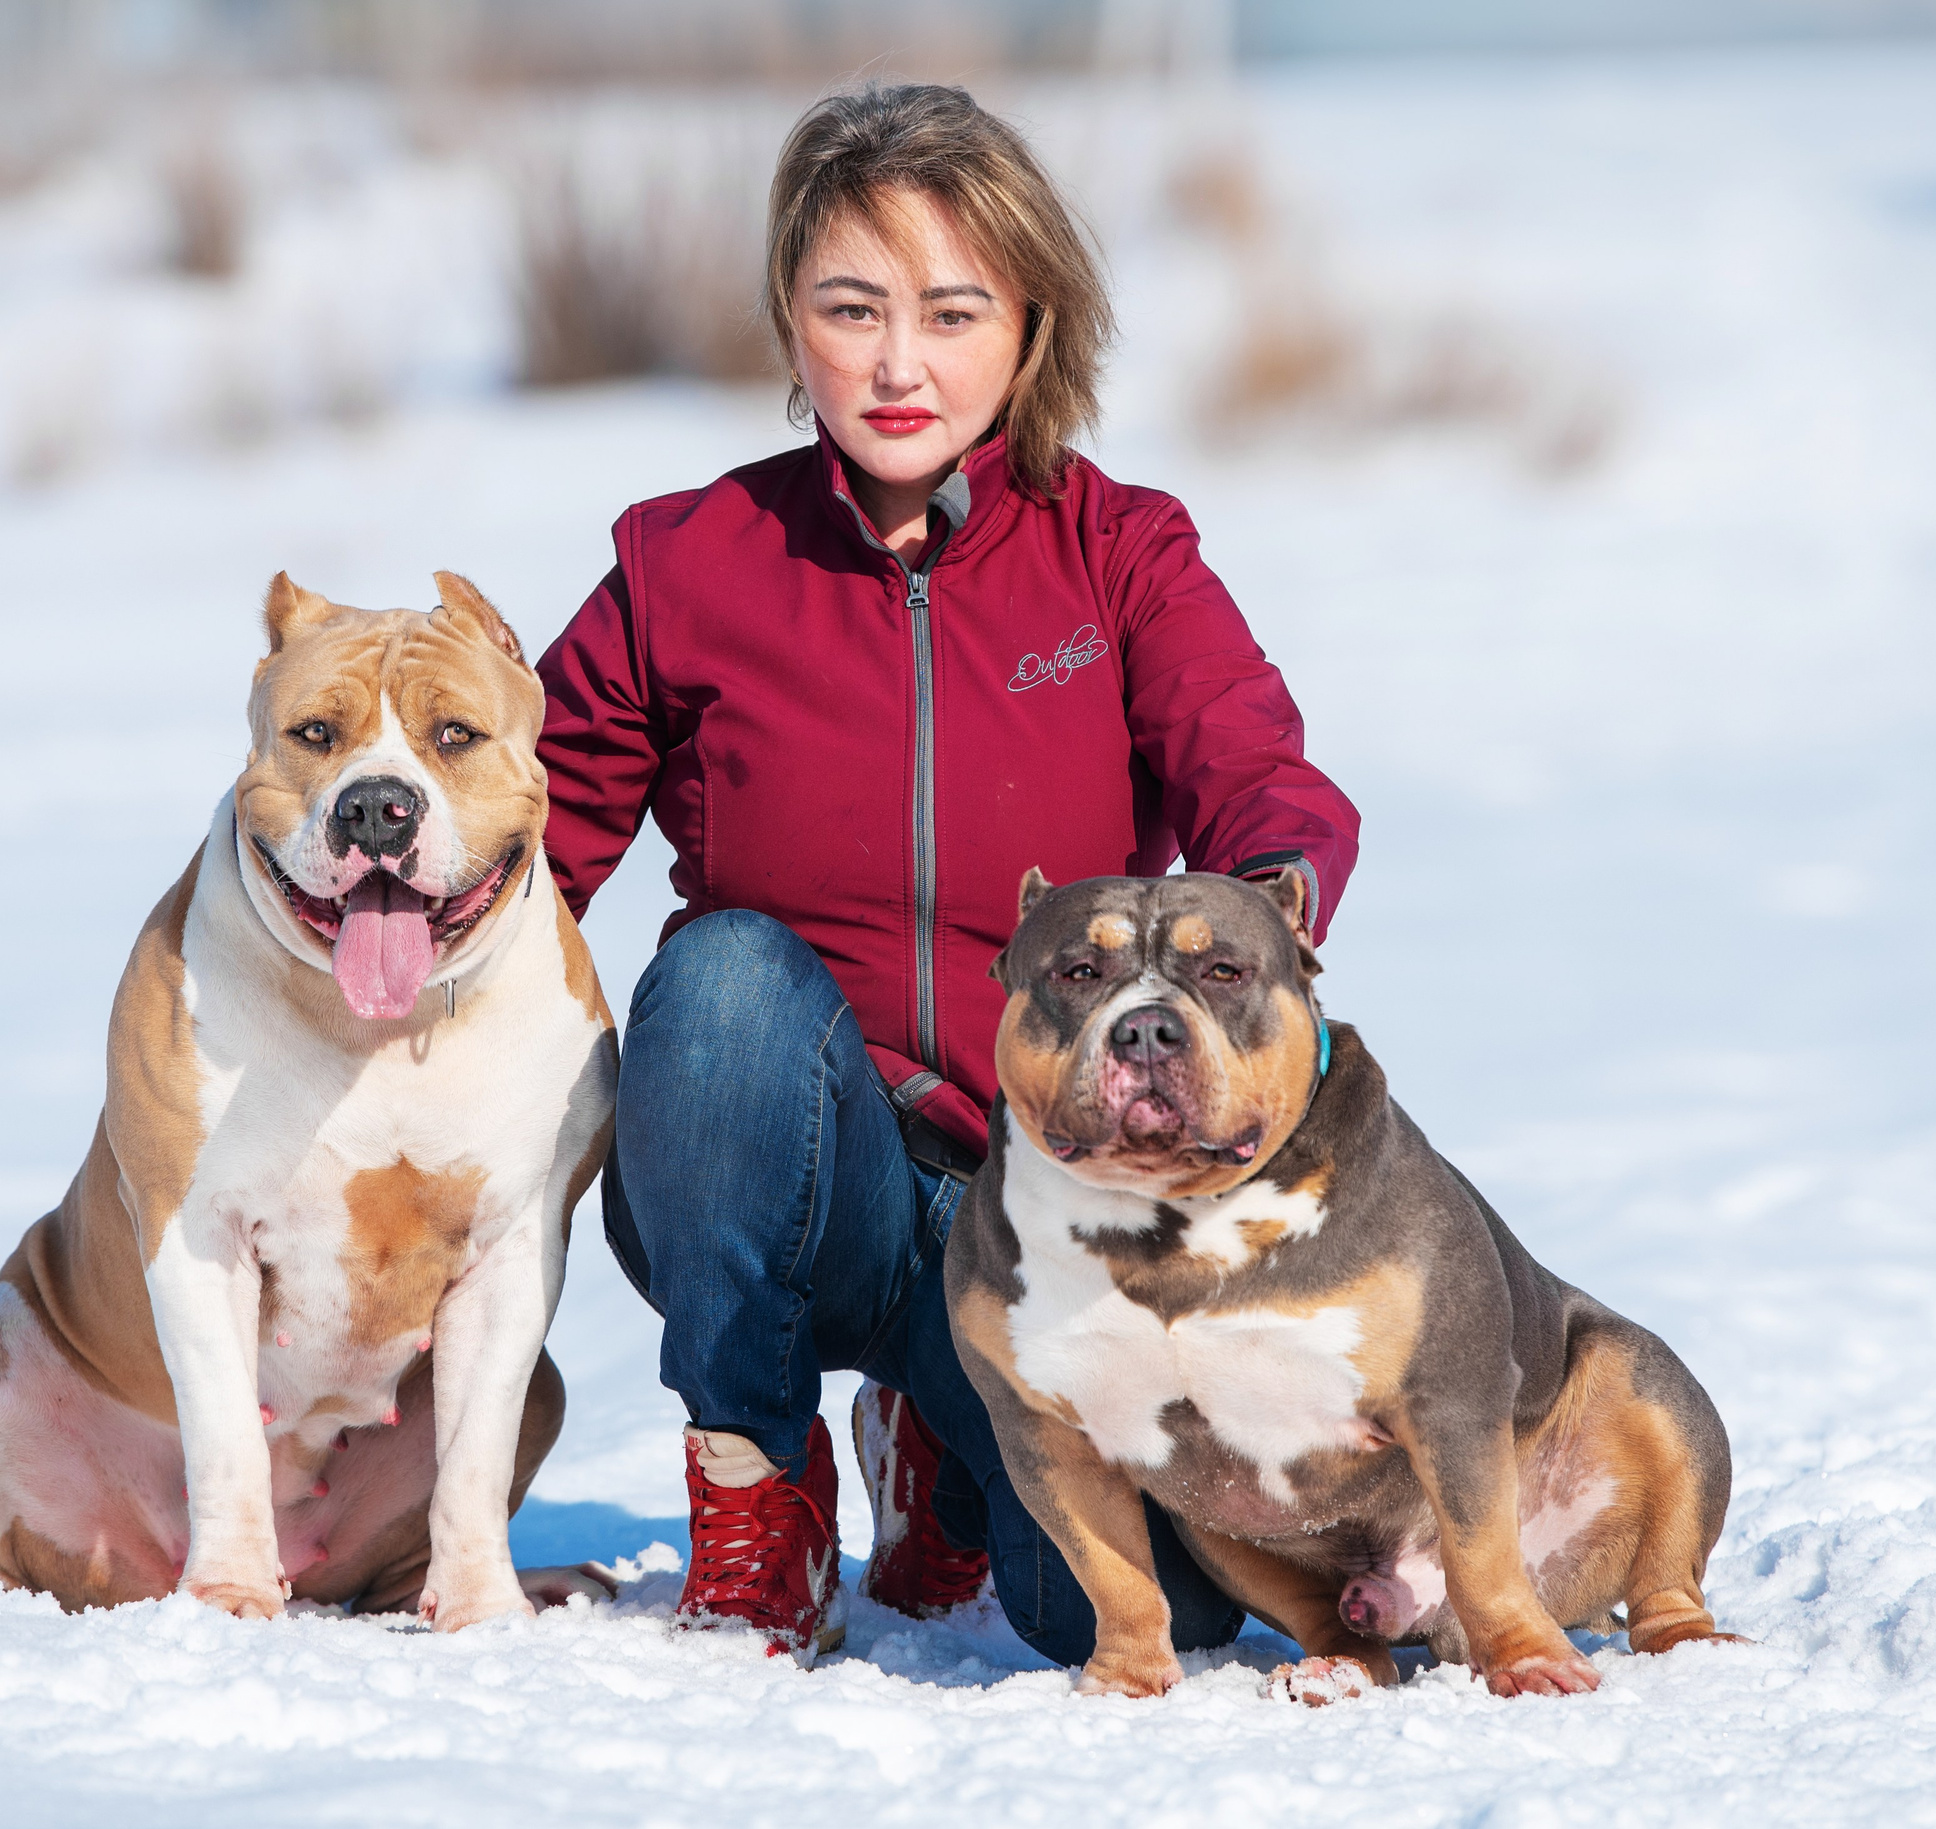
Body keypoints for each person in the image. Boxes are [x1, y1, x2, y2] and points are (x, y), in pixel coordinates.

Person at [532, 82, 1361, 1668]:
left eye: (950, 309)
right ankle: (754, 1479)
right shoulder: (684, 562)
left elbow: (1253, 770)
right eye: (851, 307)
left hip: (1044, 1202)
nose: (897, 363)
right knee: (717, 982)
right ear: (792, 316)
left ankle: (948, 1445)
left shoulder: (1119, 553)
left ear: (1032, 322)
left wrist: (1270, 919)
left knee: (1148, 1617)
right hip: (769, 1165)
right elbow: (527, 851)